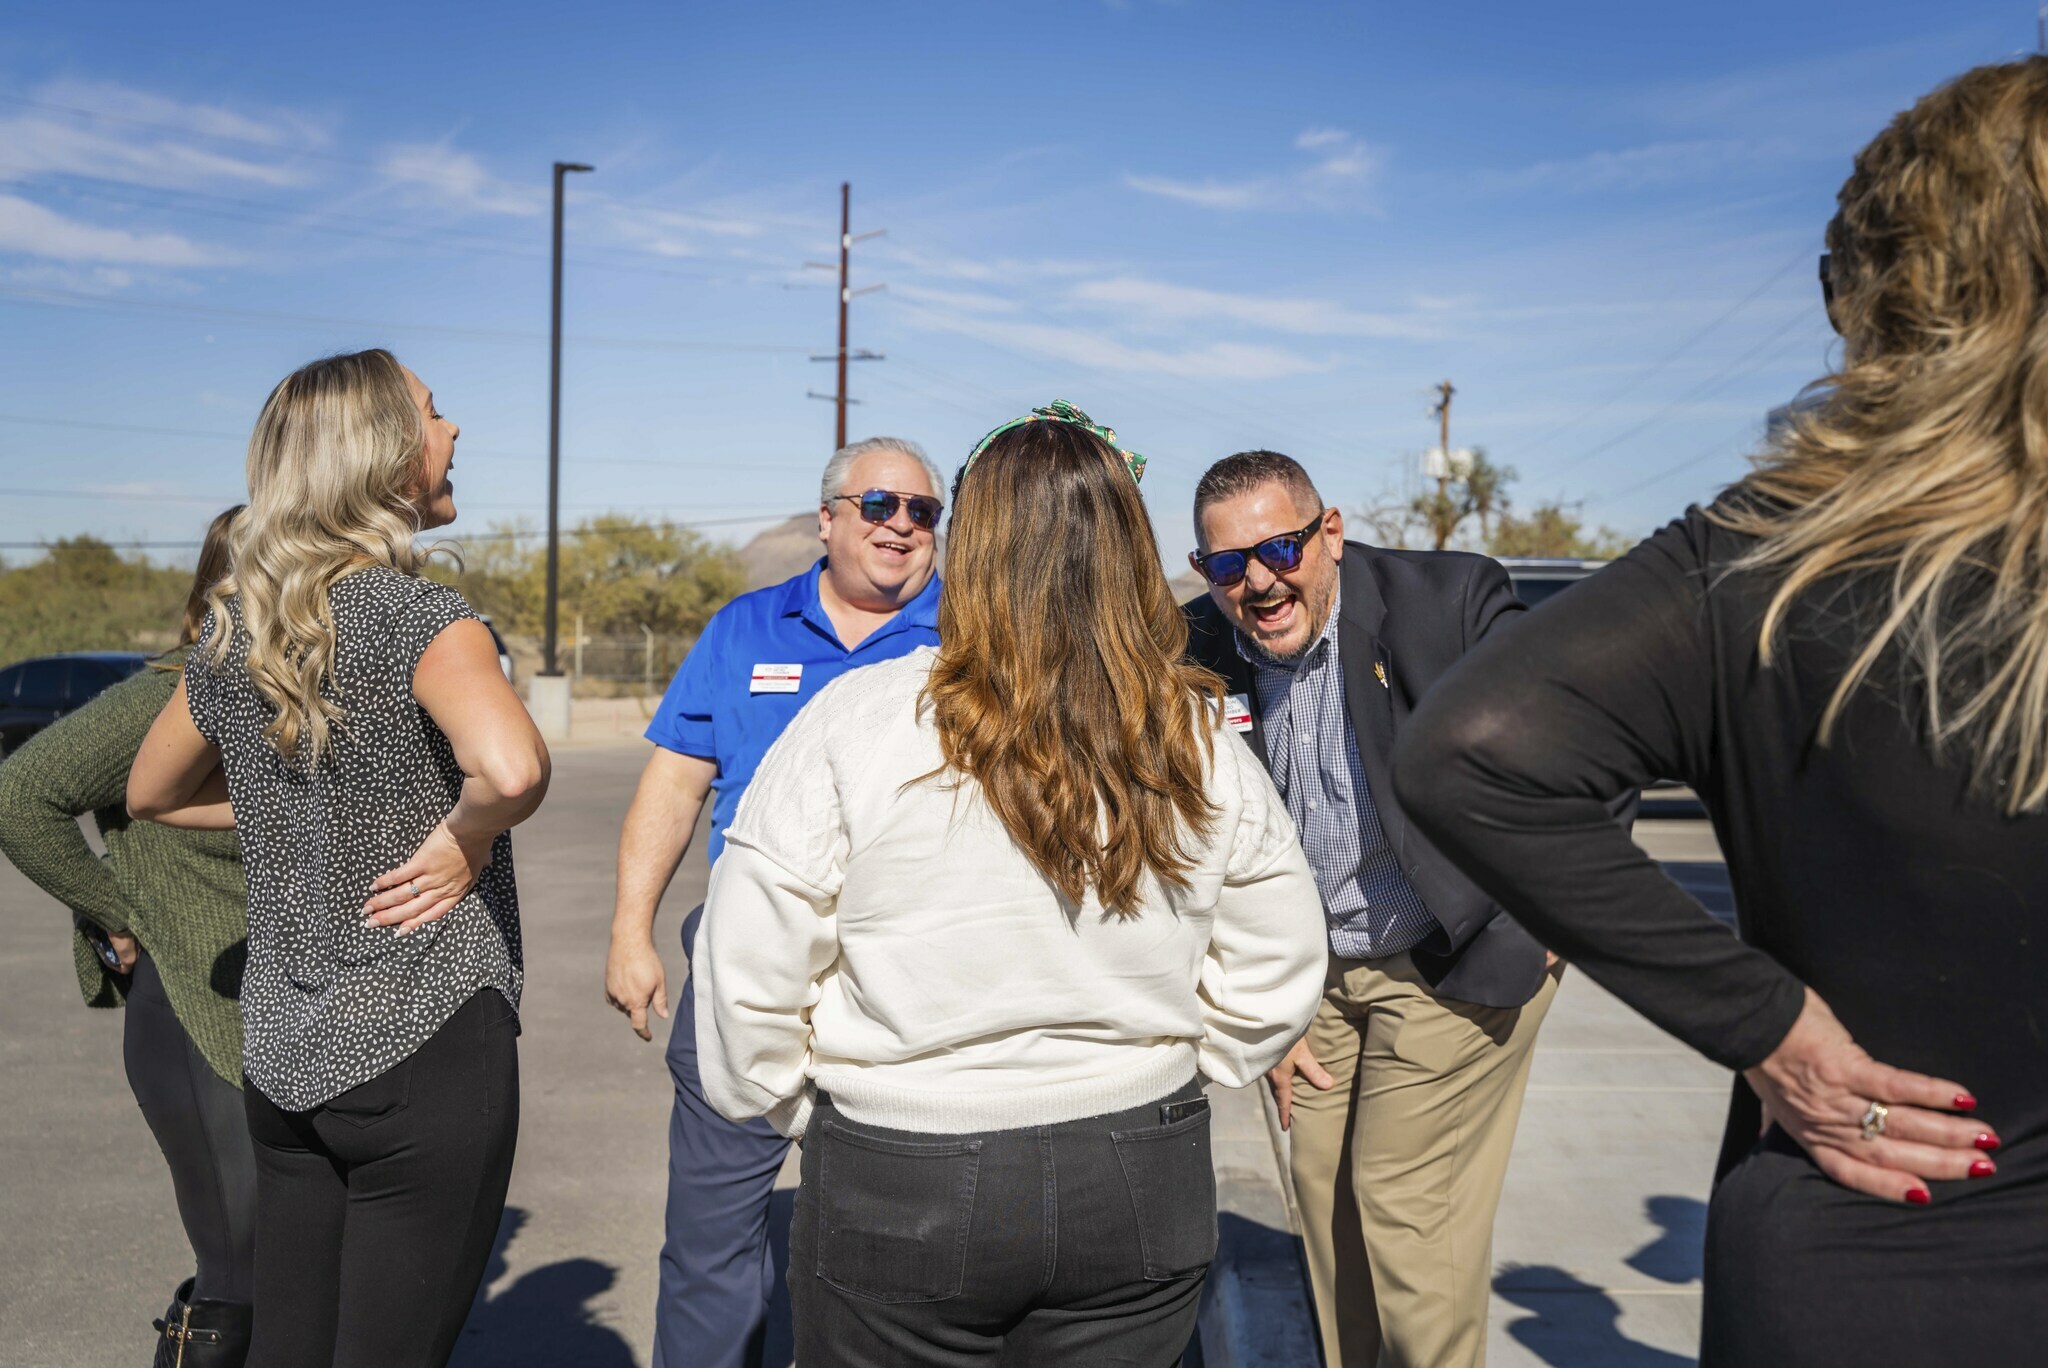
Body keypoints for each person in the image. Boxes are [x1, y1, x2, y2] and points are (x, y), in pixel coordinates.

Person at [1394, 57, 2048, 1366]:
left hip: (1875, 1247)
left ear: (1885, 302)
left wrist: (1767, 1028)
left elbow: (1473, 751)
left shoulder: (1769, 556)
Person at [693, 403, 1327, 1368]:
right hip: (1138, 1172)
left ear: (974, 546)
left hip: (899, 1172)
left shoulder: (854, 720)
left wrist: (804, 1110)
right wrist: (1169, 1073)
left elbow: (747, 966)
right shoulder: (1193, 732)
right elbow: (1280, 955)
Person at [127, 348, 549, 1368]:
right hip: (425, 1037)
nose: (452, 432)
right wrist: (465, 836)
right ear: (386, 455)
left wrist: (291, 820)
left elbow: (151, 794)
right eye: (434, 413)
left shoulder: (238, 631)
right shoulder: (423, 617)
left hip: (282, 1053)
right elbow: (511, 767)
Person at [1182, 450, 1576, 1368]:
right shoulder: (1198, 647)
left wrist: (1551, 920)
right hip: (1315, 987)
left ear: (1329, 533)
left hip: (1453, 961)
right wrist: (1266, 1007)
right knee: (1325, 1207)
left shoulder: (1451, 603)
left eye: (1278, 548)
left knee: (1403, 1202)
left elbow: (1591, 748)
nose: (1257, 582)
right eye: (1227, 565)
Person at [606, 435, 947, 1368]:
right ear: (829, 518)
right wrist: (631, 930)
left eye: (923, 512)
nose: (903, 527)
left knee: (902, 1245)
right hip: (740, 967)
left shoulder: (972, 639)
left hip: (900, 983)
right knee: (713, 1240)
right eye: (881, 505)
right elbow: (674, 785)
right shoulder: (742, 629)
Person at [0, 505, 256, 1366]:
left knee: (282, 1263)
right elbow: (19, 796)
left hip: (268, 1009)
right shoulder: (172, 688)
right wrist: (113, 910)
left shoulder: (283, 689)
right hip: (191, 1015)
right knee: (239, 1264)